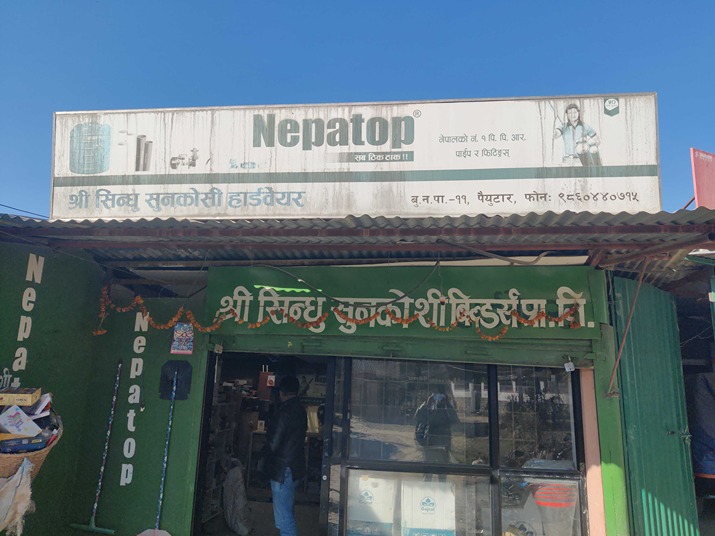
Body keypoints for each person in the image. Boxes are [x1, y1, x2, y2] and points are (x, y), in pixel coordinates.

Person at [262, 375, 307, 536]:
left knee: (284, 520)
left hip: (282, 470)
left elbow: (273, 443)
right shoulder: (301, 410)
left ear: (281, 392)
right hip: (296, 468)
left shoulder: (283, 412)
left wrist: (263, 458)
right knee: (288, 511)